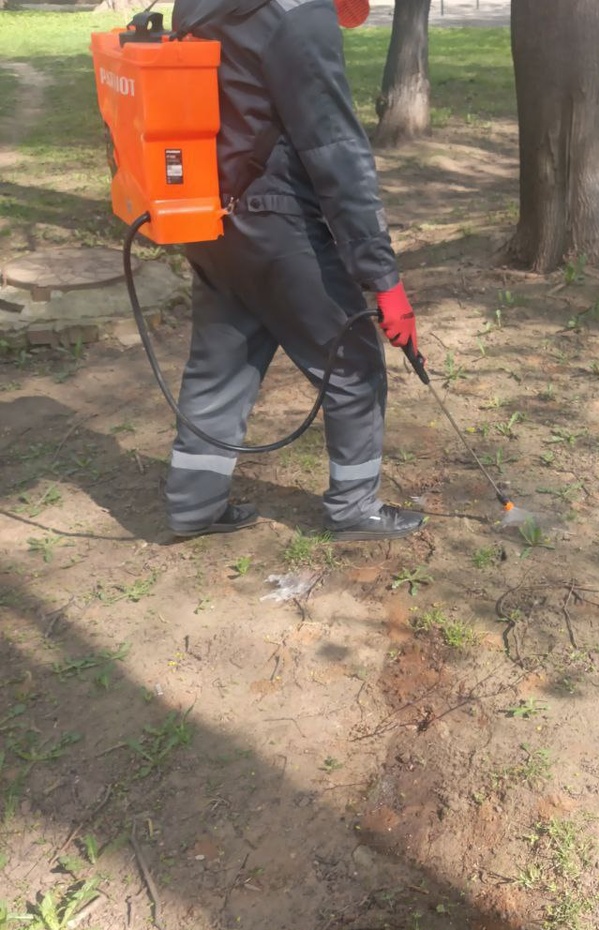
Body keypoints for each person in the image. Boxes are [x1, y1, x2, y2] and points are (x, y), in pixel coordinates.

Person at [165, 0, 425, 542]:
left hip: (208, 216)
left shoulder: (196, 3)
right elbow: (337, 150)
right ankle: (354, 509)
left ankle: (192, 505)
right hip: (278, 226)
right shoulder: (297, 15)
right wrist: (384, 279)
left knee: (220, 366)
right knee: (352, 365)